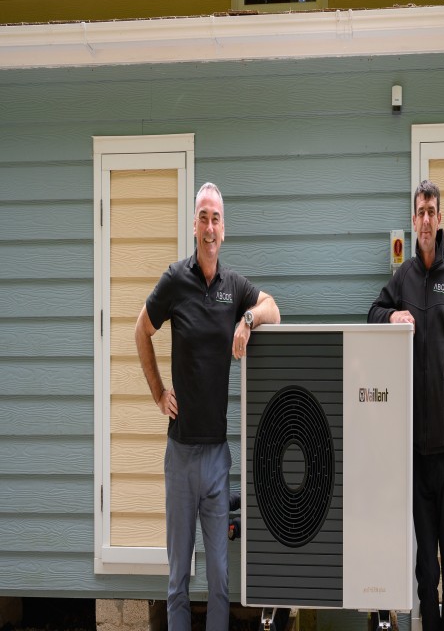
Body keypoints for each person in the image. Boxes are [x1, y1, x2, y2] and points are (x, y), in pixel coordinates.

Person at [135, 182, 280, 631]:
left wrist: (248, 320)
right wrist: (159, 391)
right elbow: (141, 331)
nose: (210, 227)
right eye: (203, 217)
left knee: (219, 579)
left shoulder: (233, 287)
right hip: (180, 456)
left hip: (217, 458)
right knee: (178, 580)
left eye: (216, 218)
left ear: (224, 229)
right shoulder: (174, 280)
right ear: (194, 225)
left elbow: (273, 307)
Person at [367, 179, 444, 631]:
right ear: (413, 222)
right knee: (424, 573)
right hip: (414, 454)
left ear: (439, 218)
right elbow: (370, 314)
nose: (426, 219)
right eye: (420, 212)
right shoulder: (403, 278)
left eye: (432, 211)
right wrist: (392, 315)